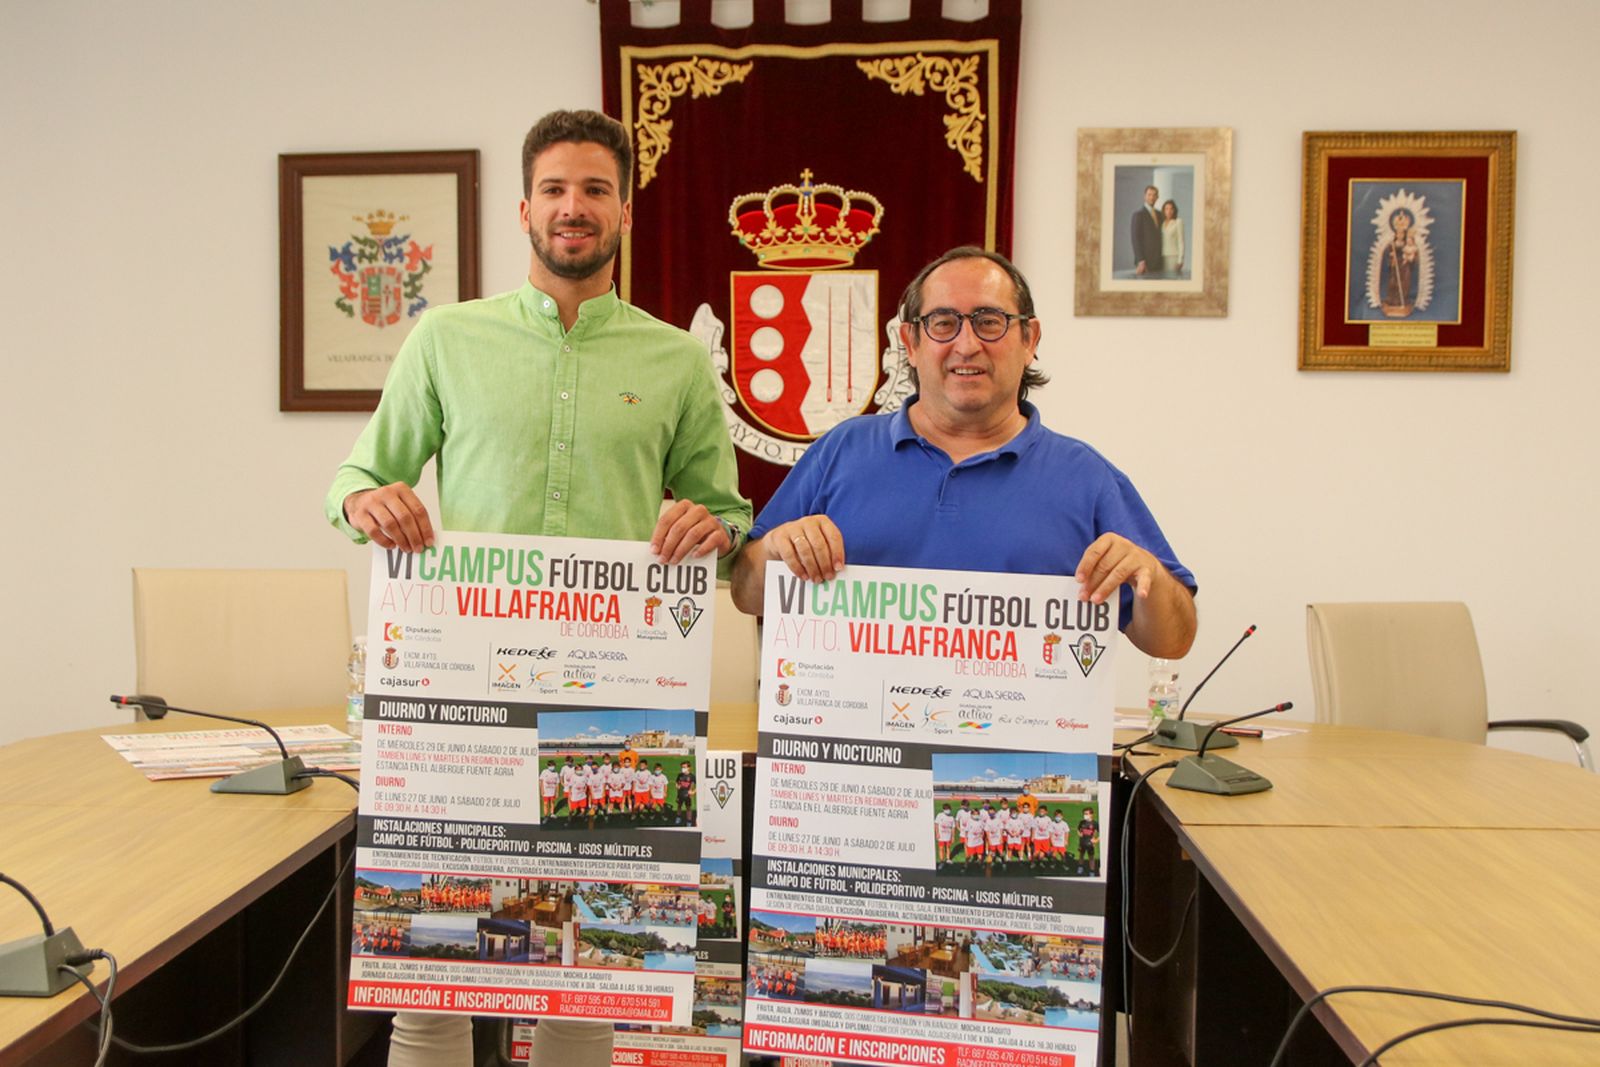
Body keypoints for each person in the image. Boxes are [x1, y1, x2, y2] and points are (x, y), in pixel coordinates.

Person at [325, 109, 751, 1067]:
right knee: (430, 984)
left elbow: (728, 519)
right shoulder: (445, 339)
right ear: (524, 207)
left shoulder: (677, 359)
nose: (574, 207)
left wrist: (714, 525)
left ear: (626, 213)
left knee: (582, 978)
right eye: (556, 189)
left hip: (609, 705)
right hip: (457, 701)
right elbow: (352, 482)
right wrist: (368, 505)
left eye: (596, 189)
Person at [730, 246, 1197, 662]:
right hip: (855, 754)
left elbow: (1173, 642)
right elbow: (747, 594)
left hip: (1017, 759)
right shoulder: (842, 450)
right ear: (911, 344)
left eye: (990, 321)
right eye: (943, 322)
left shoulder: (1086, 478)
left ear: (1030, 339)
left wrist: (1148, 572)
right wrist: (774, 549)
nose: (967, 344)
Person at [1380, 208, 1419, 316]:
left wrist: (1410, 258)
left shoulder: (1409, 243)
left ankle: (1403, 300)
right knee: (1393, 282)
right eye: (1398, 233)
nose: (1400, 234)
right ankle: (1393, 301)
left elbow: (1413, 255)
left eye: (1402, 233)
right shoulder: (1392, 243)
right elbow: (1389, 254)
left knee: (1404, 283)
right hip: (1395, 266)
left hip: (1404, 266)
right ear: (1395, 233)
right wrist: (1391, 256)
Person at [1131, 185, 1164, 277]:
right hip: (1145, 262)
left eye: (1154, 195)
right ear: (1144, 196)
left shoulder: (1160, 214)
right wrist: (1141, 260)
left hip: (1159, 260)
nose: (1152, 197)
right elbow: (1135, 239)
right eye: (1149, 195)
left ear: (1157, 197)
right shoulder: (1138, 214)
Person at [1160, 199, 1184, 276]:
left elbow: (1181, 242)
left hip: (1173, 257)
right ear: (1164, 211)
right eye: (1166, 209)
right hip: (1162, 257)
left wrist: (1180, 260)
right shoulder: (1162, 223)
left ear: (1174, 210)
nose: (1169, 211)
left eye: (1171, 209)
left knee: (1172, 278)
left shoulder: (1178, 222)